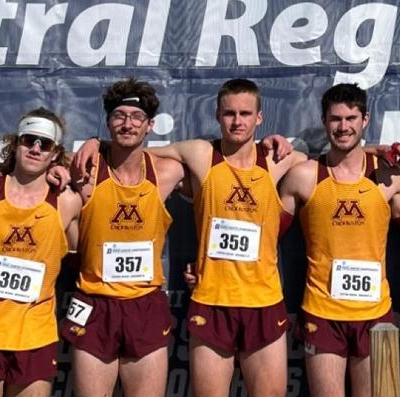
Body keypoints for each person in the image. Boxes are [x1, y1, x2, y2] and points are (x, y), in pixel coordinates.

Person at [74, 78, 306, 397]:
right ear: (216, 115)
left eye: (245, 114)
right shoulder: (199, 154)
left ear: (259, 118)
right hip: (211, 300)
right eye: (229, 114)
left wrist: (372, 151)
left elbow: (333, 164)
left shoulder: (279, 159)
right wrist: (95, 142)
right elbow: (137, 148)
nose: (237, 121)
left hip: (263, 302)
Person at [0, 79, 185, 397]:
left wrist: (96, 140)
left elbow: (211, 153)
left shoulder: (168, 171)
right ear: (108, 121)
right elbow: (23, 166)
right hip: (93, 303)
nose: (127, 123)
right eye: (119, 116)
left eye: (136, 117)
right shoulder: (83, 170)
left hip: (144, 305)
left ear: (151, 125)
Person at [277, 84, 400, 397]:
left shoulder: (390, 176)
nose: (343, 126)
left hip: (378, 315)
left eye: (351, 118)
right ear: (324, 120)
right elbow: (265, 235)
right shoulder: (304, 175)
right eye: (335, 118)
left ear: (365, 120)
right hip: (323, 314)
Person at [0, 108, 83, 397]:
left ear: (55, 154)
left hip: (35, 335)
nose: (36, 148)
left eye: (46, 143)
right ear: (15, 144)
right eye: (29, 140)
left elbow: (86, 256)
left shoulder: (66, 202)